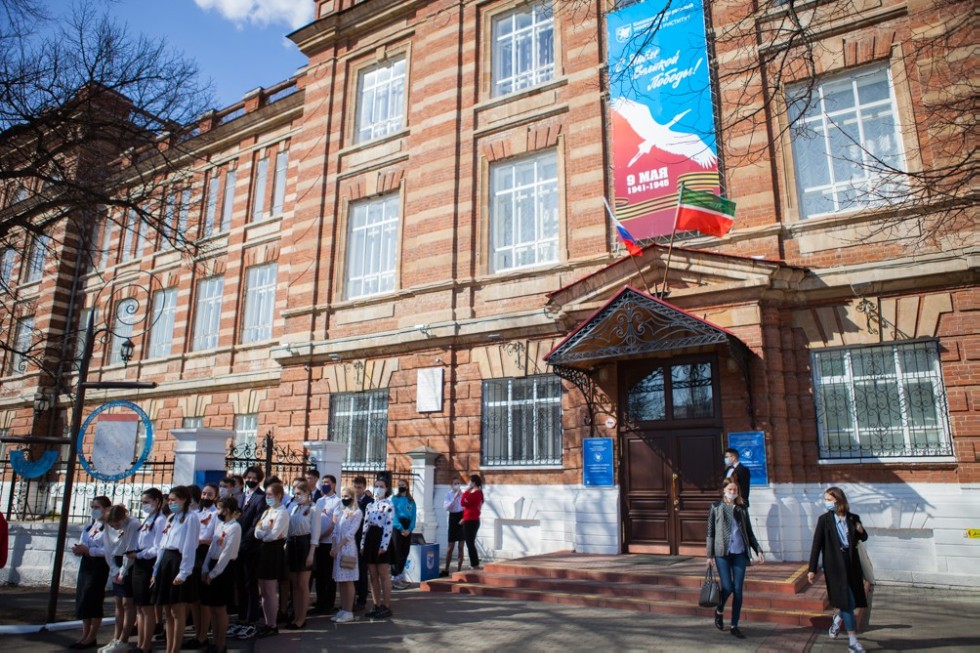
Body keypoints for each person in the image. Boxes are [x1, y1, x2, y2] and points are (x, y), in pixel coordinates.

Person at [807, 486, 870, 653]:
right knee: (848, 603)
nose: (826, 502)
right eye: (825, 499)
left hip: (851, 564)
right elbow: (816, 545)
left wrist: (861, 531)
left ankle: (837, 619)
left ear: (838, 500)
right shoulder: (824, 520)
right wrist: (812, 569)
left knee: (850, 601)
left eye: (829, 499)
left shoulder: (852, 518)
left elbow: (864, 537)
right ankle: (853, 642)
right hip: (834, 566)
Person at [705, 477, 764, 639]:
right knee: (728, 587)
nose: (732, 493)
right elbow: (710, 532)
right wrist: (709, 555)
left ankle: (734, 625)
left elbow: (749, 532)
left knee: (738, 590)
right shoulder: (716, 507)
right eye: (730, 490)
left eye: (735, 490)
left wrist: (758, 549)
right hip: (721, 553)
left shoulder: (742, 508)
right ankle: (719, 610)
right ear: (724, 490)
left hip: (739, 553)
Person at [152, 486, 201, 653]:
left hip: (178, 563)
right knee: (167, 610)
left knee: (177, 611)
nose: (171, 503)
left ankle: (175, 649)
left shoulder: (191, 518)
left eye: (174, 500)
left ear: (184, 499)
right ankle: (168, 648)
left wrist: (184, 572)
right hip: (166, 562)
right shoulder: (171, 518)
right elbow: (162, 545)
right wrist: (155, 570)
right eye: (170, 500)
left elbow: (189, 546)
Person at [201, 497, 242, 653]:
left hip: (224, 569)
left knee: (219, 608)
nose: (217, 512)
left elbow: (226, 553)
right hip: (212, 565)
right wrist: (205, 567)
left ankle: (221, 643)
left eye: (220, 509)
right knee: (211, 608)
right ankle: (213, 641)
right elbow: (212, 547)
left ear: (228, 510)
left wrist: (214, 573)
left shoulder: (234, 527)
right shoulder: (220, 525)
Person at [70, 496, 111, 649]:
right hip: (86, 564)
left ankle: (92, 635)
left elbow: (109, 550)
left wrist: (89, 550)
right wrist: (79, 549)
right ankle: (85, 634)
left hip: (99, 565)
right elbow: (83, 542)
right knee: (83, 598)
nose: (94, 510)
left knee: (93, 598)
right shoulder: (89, 526)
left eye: (97, 507)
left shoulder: (109, 527)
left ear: (106, 509)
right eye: (92, 507)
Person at [230, 466, 265, 640]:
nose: (250, 480)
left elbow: (256, 523)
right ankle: (241, 617)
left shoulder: (261, 497)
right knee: (240, 583)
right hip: (237, 545)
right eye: (248, 477)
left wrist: (244, 541)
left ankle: (252, 619)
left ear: (258, 479)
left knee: (250, 583)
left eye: (253, 477)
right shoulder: (240, 497)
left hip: (251, 547)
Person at [131, 489, 168, 653]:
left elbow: (158, 547)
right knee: (139, 607)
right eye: (143, 502)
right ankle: (140, 643)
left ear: (157, 501)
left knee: (147, 608)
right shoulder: (148, 518)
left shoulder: (160, 520)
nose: (144, 505)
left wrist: (140, 554)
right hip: (139, 563)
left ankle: (146, 645)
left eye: (147, 502)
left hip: (148, 564)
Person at [100, 505, 141, 653]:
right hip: (115, 563)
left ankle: (124, 639)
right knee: (118, 603)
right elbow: (108, 548)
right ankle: (116, 638)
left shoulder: (133, 524)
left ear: (123, 517)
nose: (115, 527)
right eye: (112, 524)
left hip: (128, 564)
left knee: (127, 603)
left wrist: (122, 571)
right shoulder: (108, 526)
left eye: (117, 524)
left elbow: (130, 548)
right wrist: (114, 569)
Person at [254, 481, 288, 638]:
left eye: (270, 495)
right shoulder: (267, 512)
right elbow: (257, 531)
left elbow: (273, 535)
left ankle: (273, 624)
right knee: (263, 590)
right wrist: (263, 533)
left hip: (274, 551)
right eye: (266, 495)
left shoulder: (281, 512)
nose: (267, 497)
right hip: (264, 550)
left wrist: (264, 533)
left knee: (270, 589)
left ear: (278, 496)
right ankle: (267, 622)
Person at [186, 483, 219, 649]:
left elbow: (216, 538)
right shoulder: (195, 513)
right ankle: (197, 632)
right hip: (191, 555)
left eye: (209, 494)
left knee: (204, 600)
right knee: (194, 599)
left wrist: (200, 541)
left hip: (204, 554)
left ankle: (203, 635)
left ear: (215, 497)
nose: (205, 497)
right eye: (204, 494)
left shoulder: (216, 514)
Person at [284, 480, 320, 629]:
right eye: (295, 493)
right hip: (293, 544)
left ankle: (301, 618)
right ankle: (296, 615)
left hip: (305, 545)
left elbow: (315, 533)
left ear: (307, 493)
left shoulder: (314, 509)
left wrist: (311, 553)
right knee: (295, 584)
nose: (297, 496)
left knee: (303, 584)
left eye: (300, 493)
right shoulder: (294, 509)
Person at [361, 477, 395, 619]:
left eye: (381, 486)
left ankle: (386, 606)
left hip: (381, 538)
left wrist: (384, 545)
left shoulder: (389, 505)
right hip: (370, 538)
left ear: (386, 489)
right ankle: (376, 604)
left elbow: (388, 525)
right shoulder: (370, 506)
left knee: (383, 575)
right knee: (373, 575)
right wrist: (362, 544)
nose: (378, 488)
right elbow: (365, 525)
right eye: (376, 486)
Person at [330, 485, 363, 624]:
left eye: (347, 496)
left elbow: (350, 533)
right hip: (338, 548)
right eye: (342, 496)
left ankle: (349, 610)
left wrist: (338, 546)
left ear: (352, 497)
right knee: (341, 581)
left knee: (348, 580)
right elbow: (335, 530)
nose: (344, 499)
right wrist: (333, 545)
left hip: (348, 549)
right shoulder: (342, 512)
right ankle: (343, 609)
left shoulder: (357, 513)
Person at [312, 474, 341, 614]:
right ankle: (320, 601)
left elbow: (333, 523)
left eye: (327, 482)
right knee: (319, 574)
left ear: (333, 484)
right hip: (317, 543)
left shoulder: (337, 501)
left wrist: (321, 536)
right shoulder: (318, 501)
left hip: (328, 543)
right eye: (323, 482)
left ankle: (329, 603)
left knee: (328, 574)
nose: (324, 484)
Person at [389, 479, 416, 589]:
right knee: (396, 551)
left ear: (407, 486)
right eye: (399, 485)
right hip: (397, 527)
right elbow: (393, 514)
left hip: (407, 526)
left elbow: (414, 516)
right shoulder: (394, 499)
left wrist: (409, 529)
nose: (401, 487)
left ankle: (399, 575)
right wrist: (400, 528)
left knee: (405, 551)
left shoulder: (411, 500)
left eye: (403, 485)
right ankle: (394, 577)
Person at [352, 475, 373, 611]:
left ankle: (362, 598)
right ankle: (351, 597)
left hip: (362, 539)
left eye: (359, 487)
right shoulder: (351, 500)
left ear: (364, 487)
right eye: (355, 487)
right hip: (351, 539)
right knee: (351, 568)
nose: (357, 490)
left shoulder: (369, 502)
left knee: (361, 569)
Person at [441, 476, 464, 576]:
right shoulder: (448, 494)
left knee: (461, 546)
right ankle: (446, 569)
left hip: (462, 517)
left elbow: (466, 506)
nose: (457, 485)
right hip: (453, 518)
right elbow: (446, 507)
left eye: (458, 483)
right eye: (455, 483)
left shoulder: (463, 494)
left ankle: (459, 569)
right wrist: (454, 498)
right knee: (450, 546)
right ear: (451, 485)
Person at [460, 474, 484, 570]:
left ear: (473, 483)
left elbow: (463, 502)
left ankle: (474, 563)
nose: (469, 483)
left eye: (470, 481)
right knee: (470, 542)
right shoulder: (478, 493)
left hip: (471, 521)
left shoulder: (476, 493)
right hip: (470, 520)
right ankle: (474, 562)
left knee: (470, 543)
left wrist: (466, 491)